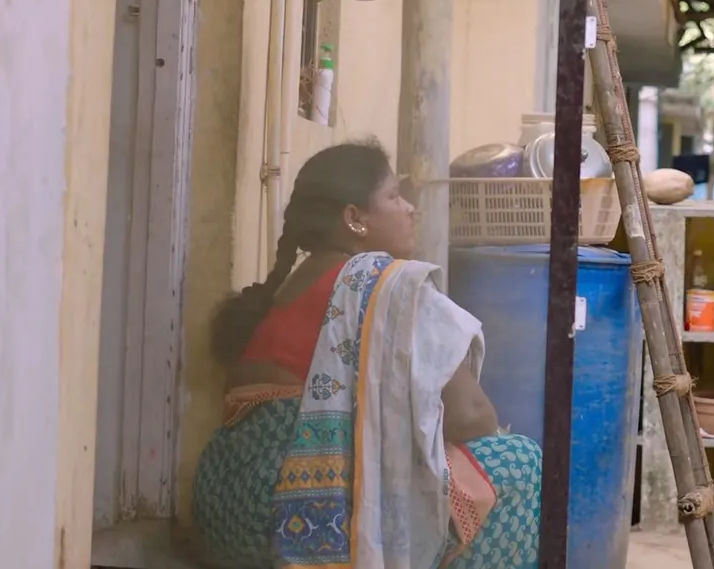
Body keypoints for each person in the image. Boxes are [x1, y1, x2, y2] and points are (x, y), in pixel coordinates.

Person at [190, 140, 542, 569]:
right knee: (519, 462)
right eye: (394, 197)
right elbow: (472, 414)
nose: (410, 209)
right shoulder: (382, 285)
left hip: (228, 506)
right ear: (354, 218)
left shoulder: (284, 289)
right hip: (300, 510)